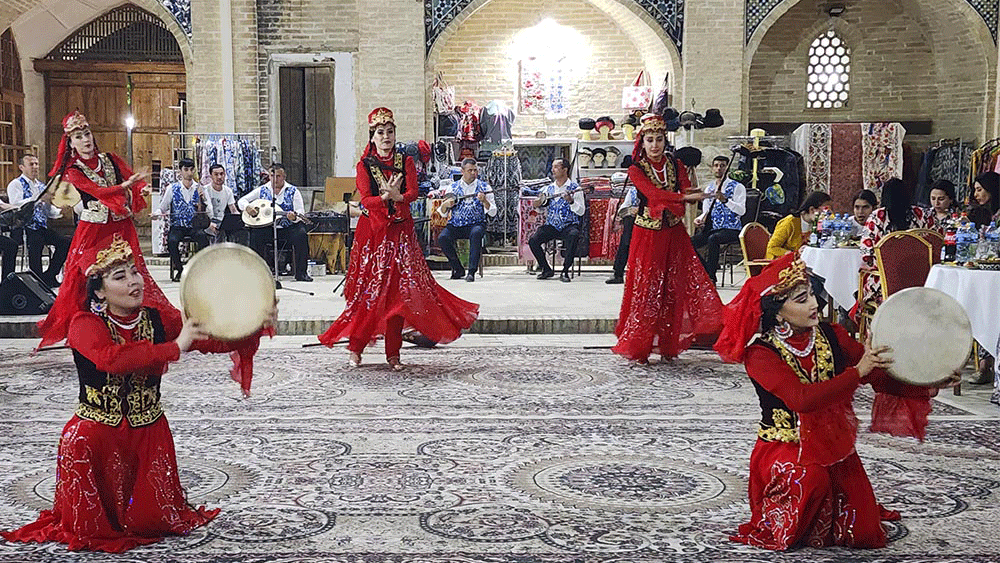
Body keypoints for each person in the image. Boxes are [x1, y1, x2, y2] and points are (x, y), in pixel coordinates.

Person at [1, 233, 275, 552]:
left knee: (151, 522)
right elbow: (112, 360)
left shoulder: (157, 319)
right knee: (91, 502)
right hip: (97, 435)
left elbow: (211, 341)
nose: (134, 281)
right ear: (99, 291)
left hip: (149, 430)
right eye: (120, 277)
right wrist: (174, 347)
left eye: (135, 272)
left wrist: (252, 323)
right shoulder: (83, 324)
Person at [714, 252, 956, 551]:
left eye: (811, 295)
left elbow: (878, 377)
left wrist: (931, 383)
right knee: (810, 479)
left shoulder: (832, 336)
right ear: (778, 313)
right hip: (784, 446)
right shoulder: (761, 355)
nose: (814, 304)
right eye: (801, 300)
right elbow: (801, 399)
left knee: (863, 532)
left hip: (831, 442)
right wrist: (856, 372)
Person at [317, 107, 478, 370]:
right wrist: (384, 197)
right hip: (373, 236)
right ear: (372, 136)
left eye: (390, 132)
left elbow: (413, 192)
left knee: (398, 297)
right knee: (369, 295)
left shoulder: (406, 162)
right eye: (380, 132)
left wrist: (398, 196)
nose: (386, 137)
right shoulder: (365, 165)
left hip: (400, 235)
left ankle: (393, 354)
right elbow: (365, 199)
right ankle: (356, 348)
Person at [36, 111, 180, 350]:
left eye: (87, 134)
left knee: (132, 273)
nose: (85, 139)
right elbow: (98, 192)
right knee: (88, 278)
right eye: (79, 137)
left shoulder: (110, 159)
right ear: (71, 143)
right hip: (94, 230)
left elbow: (133, 180)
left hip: (121, 227)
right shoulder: (74, 170)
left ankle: (136, 326)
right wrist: (124, 186)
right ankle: (88, 329)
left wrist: (139, 189)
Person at [612, 113, 724, 363]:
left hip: (674, 233)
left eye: (659, 139)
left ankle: (667, 345)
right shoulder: (636, 169)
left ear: (665, 140)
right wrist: (684, 198)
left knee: (673, 287)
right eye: (650, 140)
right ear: (643, 142)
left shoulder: (675, 164)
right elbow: (653, 194)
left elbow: (685, 187)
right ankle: (640, 346)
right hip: (647, 235)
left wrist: (702, 193)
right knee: (647, 288)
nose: (655, 145)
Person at [858, 178, 937, 313]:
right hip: (920, 282)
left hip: (886, 284)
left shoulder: (877, 218)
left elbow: (867, 253)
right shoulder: (922, 215)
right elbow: (934, 243)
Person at [238, 163, 313, 282]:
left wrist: (293, 217)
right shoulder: (262, 190)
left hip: (287, 228)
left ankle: (301, 273)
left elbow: (300, 212)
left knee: (301, 234)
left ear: (284, 176)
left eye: (278, 176)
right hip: (268, 228)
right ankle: (258, 272)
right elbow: (242, 200)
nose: (275, 179)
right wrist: (247, 207)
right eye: (272, 176)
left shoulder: (293, 191)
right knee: (255, 235)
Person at [5, 154, 70, 287]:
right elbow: (16, 206)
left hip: (40, 227)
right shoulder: (15, 184)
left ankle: (49, 276)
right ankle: (37, 280)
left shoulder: (41, 185)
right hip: (22, 227)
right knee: (36, 242)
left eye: (36, 164)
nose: (35, 167)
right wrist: (36, 198)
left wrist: (58, 211)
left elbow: (46, 210)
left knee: (65, 243)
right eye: (31, 164)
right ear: (22, 167)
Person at [434, 158, 496, 282]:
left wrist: (485, 201)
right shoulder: (452, 187)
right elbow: (442, 212)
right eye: (470, 170)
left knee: (476, 233)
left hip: (476, 224)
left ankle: (472, 271)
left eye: (475, 170)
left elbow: (493, 212)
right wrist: (446, 204)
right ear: (462, 171)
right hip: (456, 224)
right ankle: (457, 268)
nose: (473, 173)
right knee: (443, 238)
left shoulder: (485, 187)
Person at [527, 158, 585, 282]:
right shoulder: (548, 189)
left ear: (565, 170)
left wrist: (571, 201)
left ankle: (565, 271)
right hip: (552, 226)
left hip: (569, 225)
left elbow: (581, 211)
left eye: (556, 167)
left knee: (573, 235)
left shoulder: (575, 188)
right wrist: (537, 205)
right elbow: (541, 210)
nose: (552, 170)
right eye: (552, 167)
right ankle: (546, 268)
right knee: (533, 240)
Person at [153, 158, 212, 282]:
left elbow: (210, 211)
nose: (189, 173)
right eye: (186, 169)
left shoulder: (200, 188)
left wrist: (204, 199)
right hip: (178, 226)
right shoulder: (172, 188)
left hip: (195, 225)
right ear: (180, 171)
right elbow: (163, 207)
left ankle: (196, 269)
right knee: (172, 241)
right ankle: (180, 270)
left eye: (191, 169)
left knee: (203, 239)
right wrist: (156, 214)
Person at [691, 155, 746, 284]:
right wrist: (699, 219)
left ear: (727, 168)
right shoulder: (709, 188)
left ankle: (711, 276)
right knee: (689, 243)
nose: (719, 168)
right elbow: (706, 211)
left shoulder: (738, 187)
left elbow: (742, 210)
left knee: (713, 239)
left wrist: (725, 200)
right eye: (716, 166)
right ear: (712, 168)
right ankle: (706, 270)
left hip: (731, 229)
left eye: (722, 166)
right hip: (713, 228)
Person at [766, 190, 831, 259]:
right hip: (783, 261)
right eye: (825, 209)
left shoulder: (818, 224)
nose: (828, 214)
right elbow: (772, 248)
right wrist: (794, 254)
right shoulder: (789, 222)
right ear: (812, 209)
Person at [204, 163, 246, 245]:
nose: (219, 177)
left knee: (242, 232)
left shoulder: (228, 191)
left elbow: (233, 209)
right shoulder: (205, 190)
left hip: (222, 222)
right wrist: (209, 224)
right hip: (208, 221)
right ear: (211, 176)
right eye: (216, 174)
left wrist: (243, 218)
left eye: (221, 174)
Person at [606, 184, 638, 284]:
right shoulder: (633, 191)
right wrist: (630, 210)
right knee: (625, 242)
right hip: (633, 220)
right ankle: (618, 273)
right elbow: (623, 208)